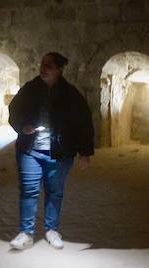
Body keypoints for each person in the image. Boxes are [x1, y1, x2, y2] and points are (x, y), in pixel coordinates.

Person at [6, 51, 95, 250]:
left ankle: (51, 229)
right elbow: (14, 111)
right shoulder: (30, 89)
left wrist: (85, 152)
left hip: (60, 153)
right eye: (42, 64)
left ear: (59, 70)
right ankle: (25, 233)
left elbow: (84, 122)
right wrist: (22, 127)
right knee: (28, 191)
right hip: (30, 150)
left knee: (55, 192)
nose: (43, 69)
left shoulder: (70, 94)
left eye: (48, 65)